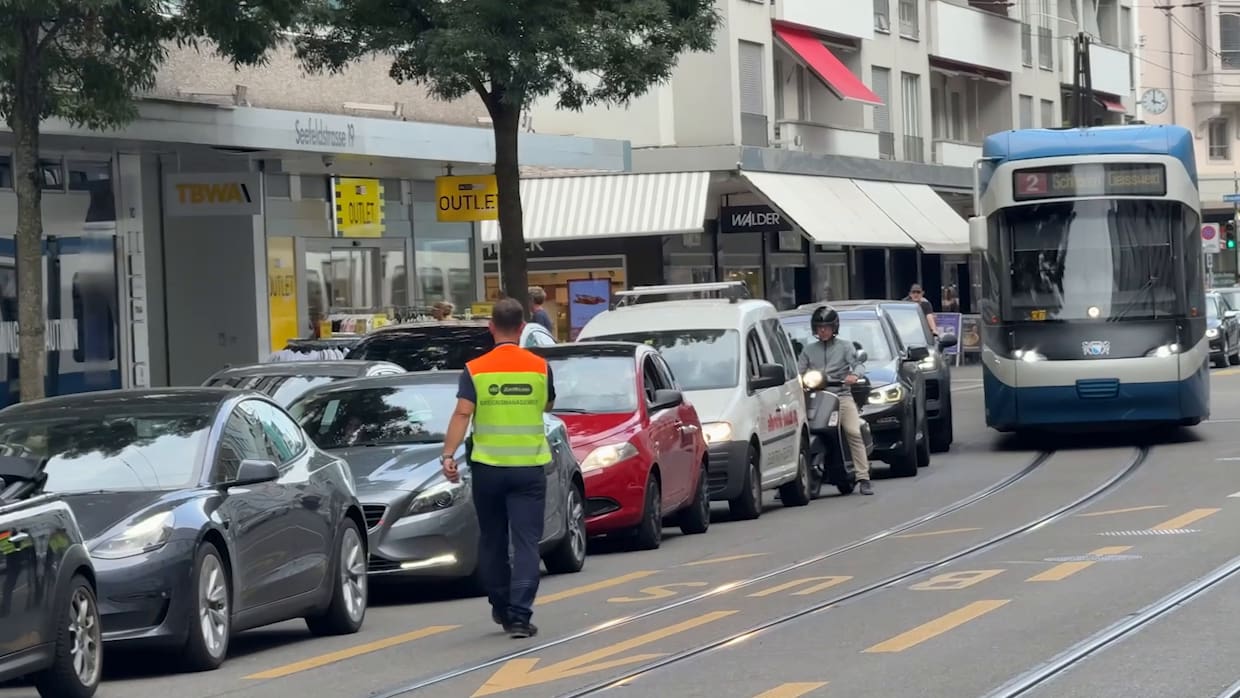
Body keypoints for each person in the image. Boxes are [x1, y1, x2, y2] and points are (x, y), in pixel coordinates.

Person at [440, 298, 556, 638]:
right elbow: (548, 403)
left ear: (491, 327)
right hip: (528, 467)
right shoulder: (539, 367)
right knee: (526, 542)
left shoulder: (475, 368)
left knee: (492, 539)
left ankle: (500, 605)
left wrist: (449, 455)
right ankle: (520, 614)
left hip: (488, 468)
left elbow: (463, 413)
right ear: (522, 328)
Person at [796, 305, 873, 495]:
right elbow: (799, 371)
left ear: (834, 328)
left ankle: (863, 477)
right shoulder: (808, 350)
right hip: (815, 397)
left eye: (826, 327)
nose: (822, 330)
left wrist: (854, 375)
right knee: (798, 433)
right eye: (819, 327)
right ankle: (795, 479)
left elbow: (858, 364)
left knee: (853, 431)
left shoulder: (845, 346)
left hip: (841, 395)